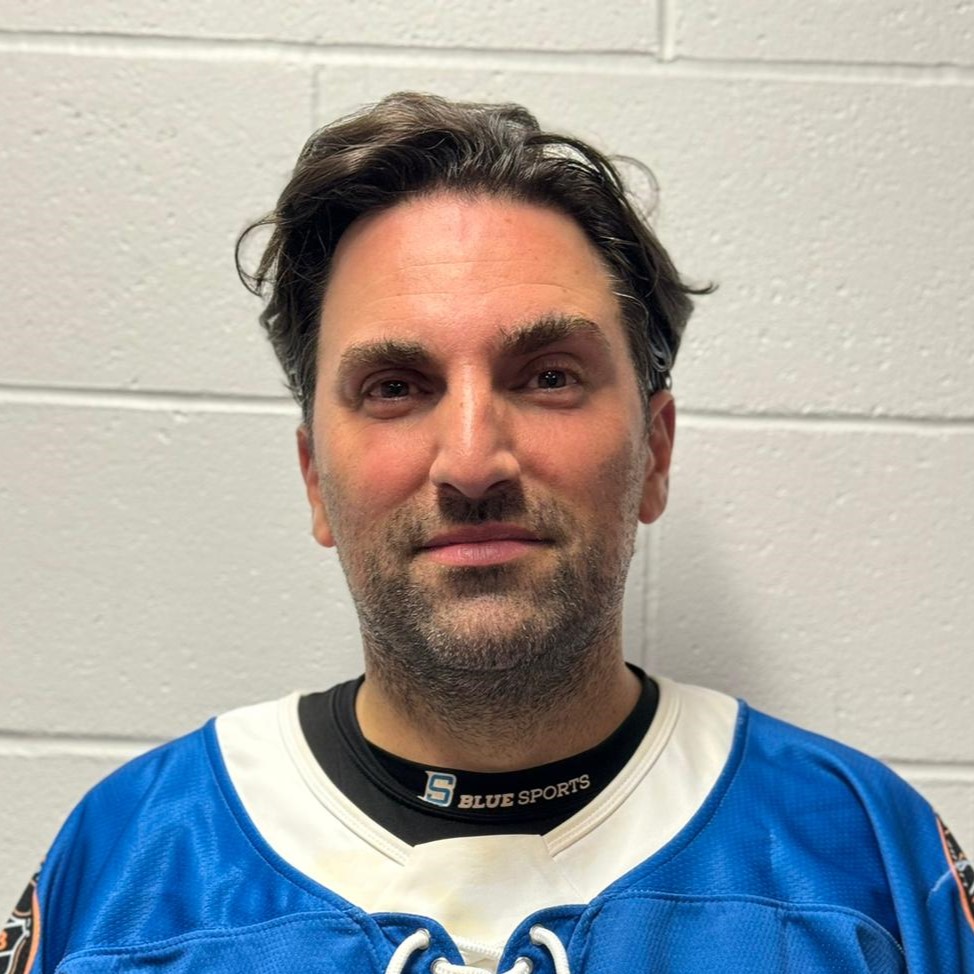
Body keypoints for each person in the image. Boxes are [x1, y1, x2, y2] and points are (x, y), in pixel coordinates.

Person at [4, 92, 972, 974]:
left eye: (548, 376)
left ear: (655, 452)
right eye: (395, 387)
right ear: (313, 477)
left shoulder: (868, 865)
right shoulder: (127, 870)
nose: (471, 460)